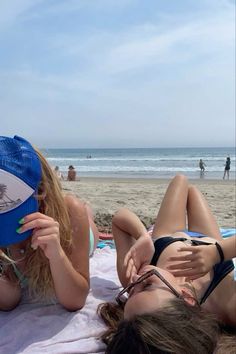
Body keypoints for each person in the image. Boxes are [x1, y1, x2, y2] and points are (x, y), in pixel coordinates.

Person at [98, 175, 236, 354]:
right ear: (187, 298)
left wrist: (143, 236)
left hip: (168, 237)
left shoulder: (134, 277)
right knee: (192, 191)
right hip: (212, 246)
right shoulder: (227, 304)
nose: (135, 278)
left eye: (130, 292)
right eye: (147, 284)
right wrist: (219, 252)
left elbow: (119, 219)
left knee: (181, 179)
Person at [0, 135, 99, 311]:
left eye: (12, 213)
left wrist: (57, 255)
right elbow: (9, 301)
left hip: (75, 226)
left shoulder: (70, 213)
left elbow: (76, 300)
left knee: (84, 214)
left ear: (41, 191)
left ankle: (88, 211)